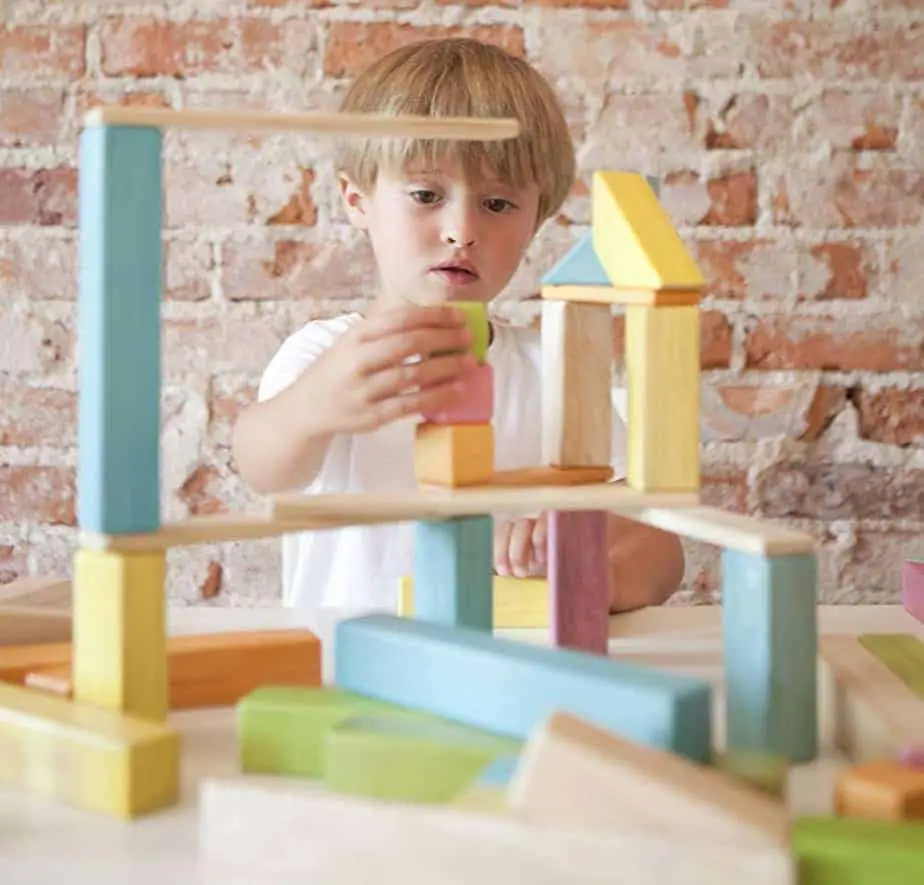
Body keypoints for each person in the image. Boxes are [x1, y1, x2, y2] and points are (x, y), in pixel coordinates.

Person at [232, 38, 684, 613]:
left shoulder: (555, 367)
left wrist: (594, 568)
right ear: (356, 199)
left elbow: (660, 550)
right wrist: (316, 405)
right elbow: (262, 465)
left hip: (508, 670)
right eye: (425, 194)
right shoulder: (329, 352)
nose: (461, 229)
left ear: (537, 219)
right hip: (346, 669)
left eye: (497, 204)